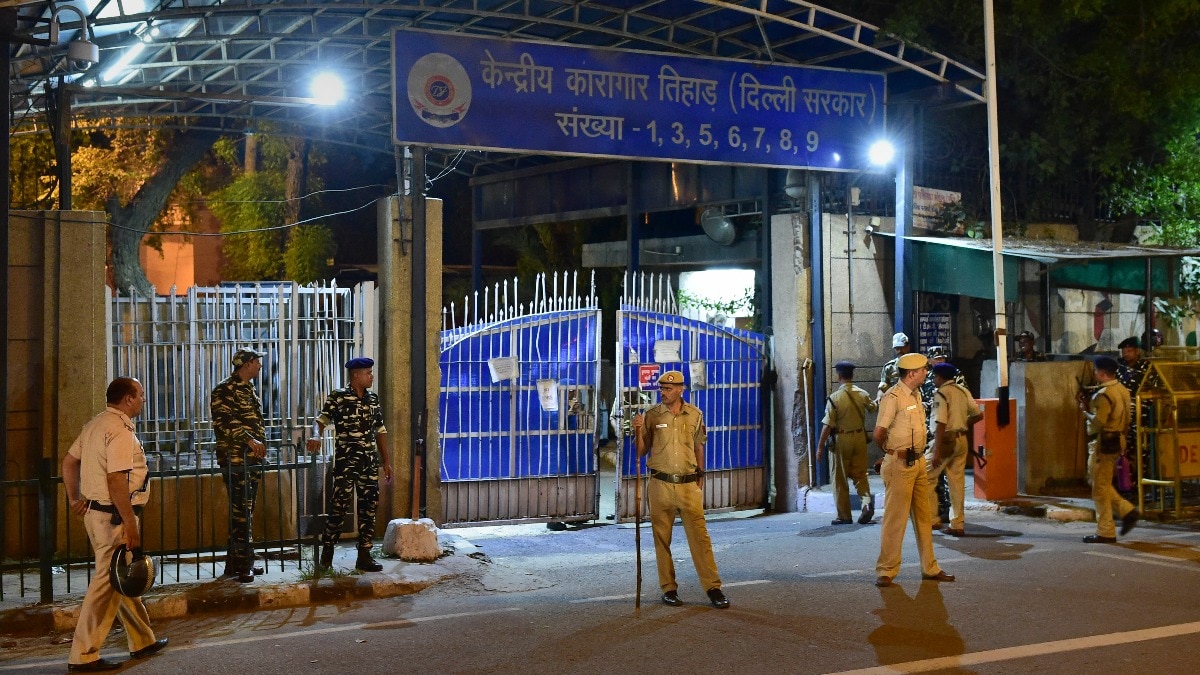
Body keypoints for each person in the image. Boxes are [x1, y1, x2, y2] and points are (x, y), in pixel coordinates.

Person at [62, 377, 168, 671]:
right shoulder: (120, 432)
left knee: (118, 577)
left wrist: (73, 499)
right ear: (127, 399)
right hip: (115, 516)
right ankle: (83, 655)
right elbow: (116, 480)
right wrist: (131, 525)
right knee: (105, 586)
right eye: (141, 395)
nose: (144, 399)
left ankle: (142, 639)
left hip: (96, 515)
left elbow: (69, 462)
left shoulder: (95, 424)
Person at [632, 370, 729, 609]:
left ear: (680, 390)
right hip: (660, 484)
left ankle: (713, 588)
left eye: (668, 389)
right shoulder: (652, 415)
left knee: (700, 537)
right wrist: (637, 429)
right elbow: (640, 451)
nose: (663, 393)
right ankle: (669, 589)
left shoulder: (695, 414)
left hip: (688, 485)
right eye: (661, 389)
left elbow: (699, 446)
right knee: (661, 539)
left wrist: (701, 474)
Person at [872, 352, 955, 587]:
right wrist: (890, 453)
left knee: (924, 518)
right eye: (923, 370)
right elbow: (879, 433)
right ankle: (886, 570)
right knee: (895, 519)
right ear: (911, 373)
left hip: (918, 461)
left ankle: (930, 567)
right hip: (900, 463)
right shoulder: (893, 397)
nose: (927, 373)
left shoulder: (916, 395)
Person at [306, 357, 393, 572]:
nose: (371, 376)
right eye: (368, 373)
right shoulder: (339, 397)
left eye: (371, 372)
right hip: (347, 463)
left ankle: (364, 555)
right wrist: (316, 436)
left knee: (369, 509)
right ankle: (327, 555)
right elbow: (321, 420)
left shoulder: (372, 399)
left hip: (369, 463)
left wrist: (386, 461)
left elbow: (380, 430)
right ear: (356, 376)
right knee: (338, 508)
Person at [210, 348, 267, 583]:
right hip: (236, 459)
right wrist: (249, 440)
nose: (259, 365)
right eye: (256, 362)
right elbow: (224, 421)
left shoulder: (249, 389)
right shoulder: (225, 389)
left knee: (245, 510)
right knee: (241, 512)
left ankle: (236, 563)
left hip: (251, 460)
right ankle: (244, 566)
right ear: (246, 364)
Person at [1078, 356, 1139, 543]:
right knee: (1101, 483)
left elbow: (1098, 423)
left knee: (1098, 489)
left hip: (1103, 443)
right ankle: (1127, 511)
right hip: (1118, 439)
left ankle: (1106, 530)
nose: (1095, 374)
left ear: (1102, 373)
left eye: (1096, 371)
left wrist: (1084, 411)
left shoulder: (1103, 395)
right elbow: (1128, 419)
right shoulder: (1122, 390)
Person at [816, 361, 878, 525]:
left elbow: (828, 425)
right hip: (859, 439)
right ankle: (866, 504)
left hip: (841, 440)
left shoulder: (835, 398)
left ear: (838, 376)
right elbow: (873, 408)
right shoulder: (862, 393)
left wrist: (820, 446)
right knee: (861, 475)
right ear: (852, 375)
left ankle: (844, 515)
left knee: (840, 479)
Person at [925, 362, 982, 537]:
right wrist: (963, 426)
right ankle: (957, 524)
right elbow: (979, 414)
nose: (933, 379)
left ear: (940, 377)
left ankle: (932, 519)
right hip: (961, 440)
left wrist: (936, 451)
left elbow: (940, 423)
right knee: (957, 483)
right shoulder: (963, 391)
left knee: (925, 478)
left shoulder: (941, 394)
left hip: (945, 441)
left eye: (935, 376)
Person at [920, 345, 962, 528]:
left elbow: (943, 419)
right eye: (936, 359)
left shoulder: (954, 378)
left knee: (936, 476)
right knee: (940, 478)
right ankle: (949, 517)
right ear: (929, 360)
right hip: (931, 431)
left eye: (943, 358)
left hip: (943, 435)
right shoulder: (925, 378)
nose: (940, 361)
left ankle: (937, 516)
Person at [876, 332, 912, 401]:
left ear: (908, 347)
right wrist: (879, 397)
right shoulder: (889, 367)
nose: (899, 351)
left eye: (902, 347)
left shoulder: (917, 365)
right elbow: (883, 388)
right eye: (897, 348)